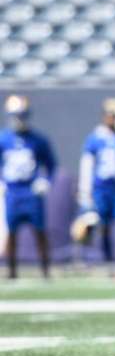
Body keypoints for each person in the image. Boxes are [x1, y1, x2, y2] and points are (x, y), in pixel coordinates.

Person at [0, 96, 56, 279]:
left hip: (31, 192)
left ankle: (45, 271)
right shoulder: (3, 139)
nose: (19, 119)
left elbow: (51, 164)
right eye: (16, 115)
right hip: (12, 192)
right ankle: (11, 271)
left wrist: (45, 181)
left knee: (40, 232)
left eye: (22, 115)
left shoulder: (38, 140)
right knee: (11, 233)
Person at [78, 109, 115, 267]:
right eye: (108, 116)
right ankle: (102, 257)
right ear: (104, 118)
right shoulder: (94, 140)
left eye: (113, 116)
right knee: (97, 224)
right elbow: (87, 166)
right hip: (100, 189)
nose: (111, 119)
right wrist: (85, 190)